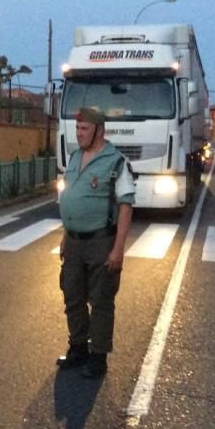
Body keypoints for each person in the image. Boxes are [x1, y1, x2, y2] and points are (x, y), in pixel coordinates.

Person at [56, 106, 135, 378]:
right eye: (77, 128)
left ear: (100, 131)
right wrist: (65, 236)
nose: (79, 134)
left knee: (101, 300)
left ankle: (98, 356)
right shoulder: (76, 157)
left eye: (84, 129)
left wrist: (118, 249)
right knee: (72, 294)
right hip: (75, 242)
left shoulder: (116, 162)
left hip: (101, 241)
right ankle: (78, 347)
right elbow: (70, 197)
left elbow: (126, 206)